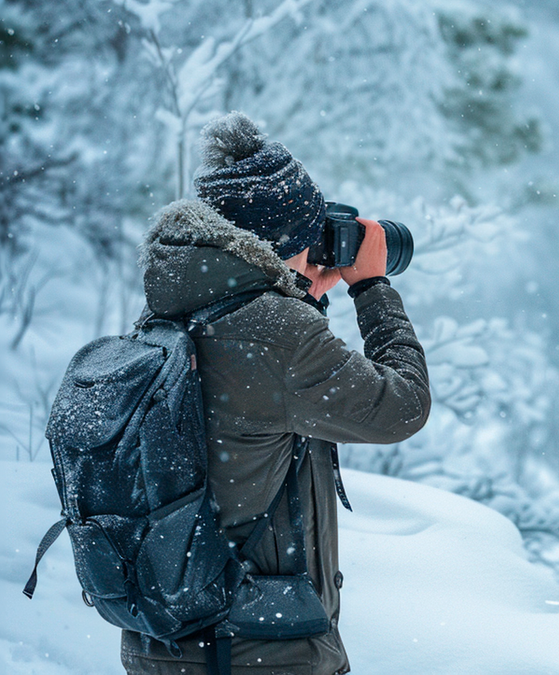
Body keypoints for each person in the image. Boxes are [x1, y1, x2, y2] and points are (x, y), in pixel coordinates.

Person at [121, 112, 431, 675]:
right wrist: (372, 286)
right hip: (258, 649)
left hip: (164, 641)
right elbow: (402, 407)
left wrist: (298, 298)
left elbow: (250, 388)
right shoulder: (275, 334)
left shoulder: (171, 306)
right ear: (287, 239)